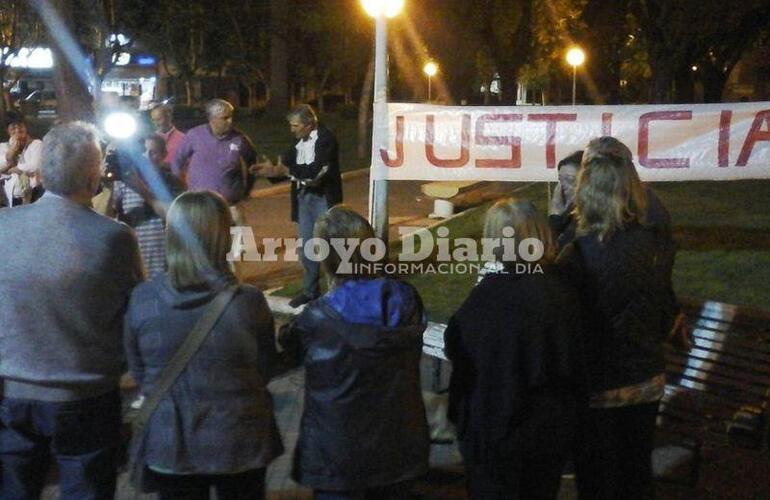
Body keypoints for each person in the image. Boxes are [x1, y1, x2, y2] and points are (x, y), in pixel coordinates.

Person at [0, 122, 144, 499]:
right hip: (87, 393)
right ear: (93, 175)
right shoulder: (114, 237)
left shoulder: (3, 227)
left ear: (42, 172)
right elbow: (136, 311)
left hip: (13, 391)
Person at [125, 190, 284, 500]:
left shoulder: (144, 299)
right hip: (240, 440)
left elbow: (140, 373)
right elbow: (264, 368)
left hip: (171, 443)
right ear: (222, 237)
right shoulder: (248, 302)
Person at [557, 136, 686, 500]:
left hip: (597, 386)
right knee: (636, 472)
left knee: (596, 476)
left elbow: (563, 324)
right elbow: (661, 308)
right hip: (646, 379)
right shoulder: (655, 246)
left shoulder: (576, 255)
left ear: (587, 194)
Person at [279, 206, 429, 499]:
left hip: (338, 456)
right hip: (399, 448)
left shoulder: (314, 318)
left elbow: (282, 356)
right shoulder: (406, 299)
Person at [445, 198, 582, 500]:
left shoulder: (487, 297)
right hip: (547, 434)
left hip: (495, 433)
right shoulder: (563, 291)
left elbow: (457, 347)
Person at [253, 104, 343, 308]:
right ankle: (310, 291)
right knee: (306, 247)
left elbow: (315, 171)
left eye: (295, 126)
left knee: (328, 247)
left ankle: (336, 292)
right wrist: (271, 171)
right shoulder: (298, 143)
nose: (292, 130)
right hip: (304, 198)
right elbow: (287, 167)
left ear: (309, 124)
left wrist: (285, 170)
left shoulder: (326, 140)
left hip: (322, 198)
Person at [110, 134, 184, 277]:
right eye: (144, 152)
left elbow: (175, 217)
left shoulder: (172, 182)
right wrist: (108, 186)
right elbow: (105, 215)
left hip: (165, 264)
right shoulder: (122, 183)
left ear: (164, 155)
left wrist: (139, 187)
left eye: (153, 152)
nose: (147, 157)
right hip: (133, 261)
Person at [171, 98, 257, 222]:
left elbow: (252, 164)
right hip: (202, 207)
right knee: (204, 240)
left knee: (242, 240)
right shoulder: (195, 135)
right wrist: (180, 189)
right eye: (225, 118)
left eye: (231, 117)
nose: (230, 121)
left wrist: (247, 188)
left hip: (231, 206)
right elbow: (177, 161)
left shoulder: (240, 139)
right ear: (212, 119)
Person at [0, 112, 43, 207]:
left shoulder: (36, 144)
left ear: (26, 127)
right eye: (13, 128)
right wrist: (11, 154)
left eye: (20, 127)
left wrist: (15, 169)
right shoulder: (3, 147)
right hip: (9, 200)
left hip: (33, 196)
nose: (18, 130)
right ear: (7, 131)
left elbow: (35, 166)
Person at [549, 150, 582, 248]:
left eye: (570, 179)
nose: (563, 186)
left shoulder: (586, 222)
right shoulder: (568, 218)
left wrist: (555, 216)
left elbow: (553, 249)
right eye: (560, 180)